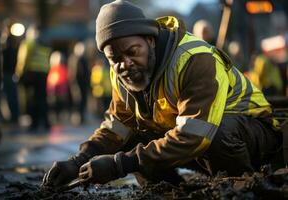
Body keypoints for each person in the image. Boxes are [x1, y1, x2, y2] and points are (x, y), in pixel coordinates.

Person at [42, 0, 284, 189]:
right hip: (196, 141)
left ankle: (238, 186)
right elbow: (117, 128)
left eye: (132, 51)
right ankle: (168, 191)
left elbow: (194, 136)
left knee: (217, 131)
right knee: (134, 137)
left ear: (151, 40)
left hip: (253, 135)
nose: (125, 64)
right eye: (114, 58)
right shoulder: (121, 73)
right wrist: (78, 161)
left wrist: (120, 164)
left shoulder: (195, 59)